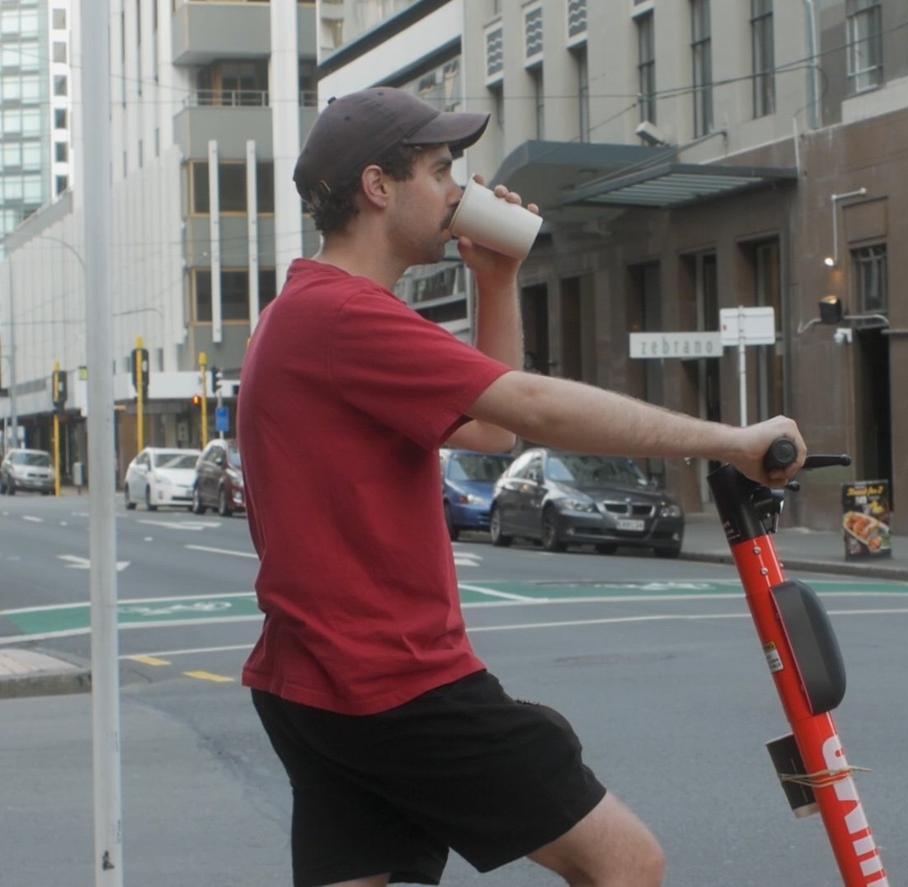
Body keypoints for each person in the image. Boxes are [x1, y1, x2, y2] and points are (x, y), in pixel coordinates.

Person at [236, 87, 806, 887]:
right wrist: (729, 441)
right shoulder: (344, 316)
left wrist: (497, 282)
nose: (457, 192)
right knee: (626, 863)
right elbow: (530, 407)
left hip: (319, 684)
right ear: (378, 187)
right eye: (440, 170)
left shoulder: (311, 311)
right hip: (394, 682)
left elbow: (489, 433)